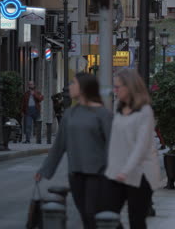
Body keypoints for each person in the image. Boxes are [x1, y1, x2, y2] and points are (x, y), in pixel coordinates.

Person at [35, 73, 113, 229]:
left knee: (92, 213)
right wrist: (44, 170)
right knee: (84, 213)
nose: (70, 86)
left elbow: (113, 145)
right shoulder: (70, 114)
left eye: (74, 83)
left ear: (84, 88)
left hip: (98, 174)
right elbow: (59, 146)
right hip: (76, 173)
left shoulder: (103, 114)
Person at [102, 68, 161, 229]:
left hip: (141, 174)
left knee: (136, 220)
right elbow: (115, 142)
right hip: (119, 171)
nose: (115, 90)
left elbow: (141, 146)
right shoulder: (118, 108)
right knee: (109, 214)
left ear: (129, 87)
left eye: (118, 87)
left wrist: (125, 170)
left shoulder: (145, 111)